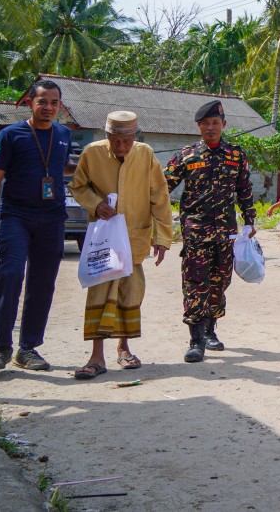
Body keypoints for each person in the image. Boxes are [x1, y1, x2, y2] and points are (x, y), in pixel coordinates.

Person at [0, 79, 75, 371]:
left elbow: (63, 166)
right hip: (16, 216)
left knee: (42, 284)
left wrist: (89, 167)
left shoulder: (64, 134)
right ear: (30, 103)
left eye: (54, 103)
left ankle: (28, 349)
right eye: (43, 101)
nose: (49, 107)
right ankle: (2, 347)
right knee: (10, 275)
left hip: (52, 218)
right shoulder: (10, 135)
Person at [69, 111, 173, 380]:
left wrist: (162, 238)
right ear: (107, 136)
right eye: (116, 141)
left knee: (130, 293)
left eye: (126, 141)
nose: (121, 147)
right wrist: (96, 204)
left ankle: (124, 348)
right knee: (99, 292)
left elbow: (159, 196)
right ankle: (96, 356)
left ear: (134, 137)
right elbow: (78, 186)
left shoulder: (146, 154)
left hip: (134, 236)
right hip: (103, 238)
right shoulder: (92, 153)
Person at [164, 100, 256, 363]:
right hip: (196, 232)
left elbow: (244, 190)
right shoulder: (186, 155)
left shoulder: (236, 155)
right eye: (205, 124)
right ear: (199, 127)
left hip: (226, 232)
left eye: (215, 123)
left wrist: (249, 221)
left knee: (220, 282)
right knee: (195, 284)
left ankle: (210, 330)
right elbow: (162, 186)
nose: (210, 128)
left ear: (224, 125)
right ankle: (195, 340)